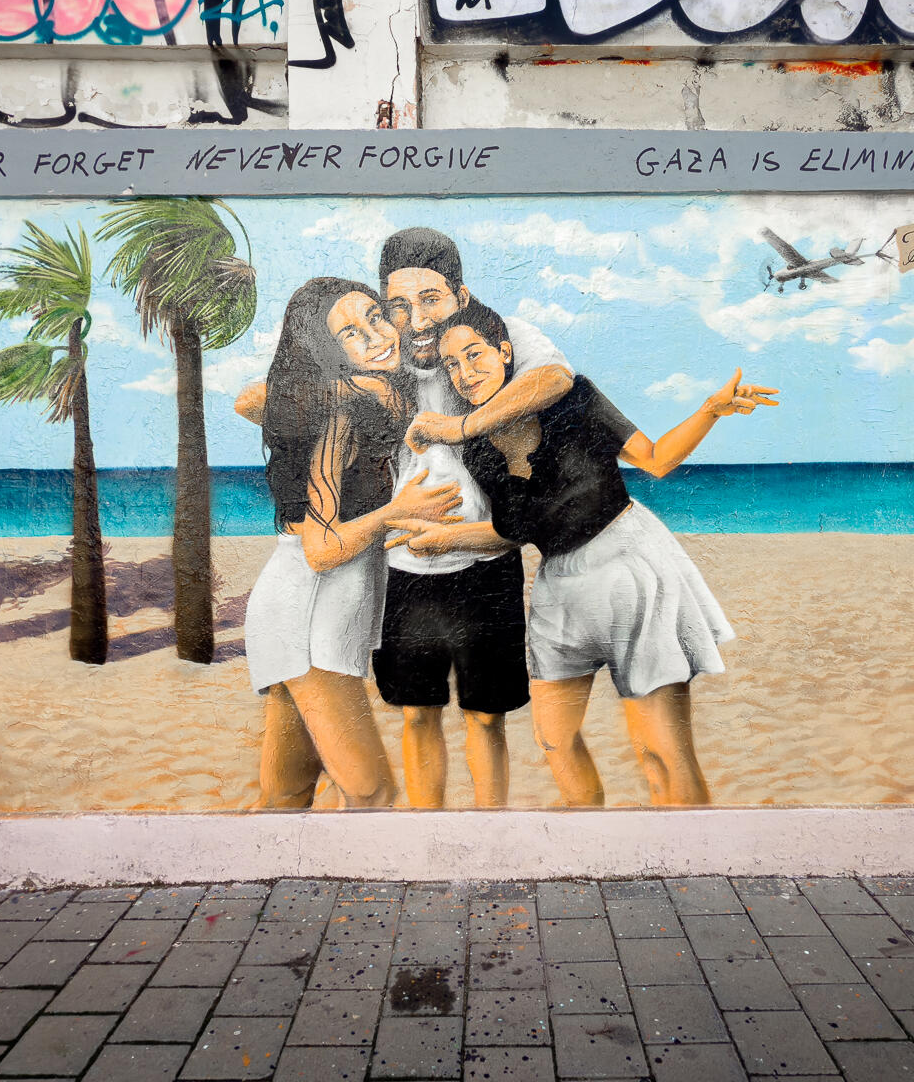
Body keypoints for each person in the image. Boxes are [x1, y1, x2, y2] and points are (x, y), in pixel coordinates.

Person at [237, 228, 573, 809]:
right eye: (395, 305)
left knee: (289, 790)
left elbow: (555, 377)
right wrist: (337, 402)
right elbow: (254, 399)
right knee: (382, 774)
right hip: (339, 592)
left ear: (461, 296)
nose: (409, 320)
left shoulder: (481, 339)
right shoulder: (358, 392)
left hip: (400, 582)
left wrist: (460, 427)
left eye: (427, 300)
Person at [397, 301, 776, 807]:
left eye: (474, 354)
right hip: (559, 582)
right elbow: (515, 531)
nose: (465, 372)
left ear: (504, 352)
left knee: (661, 750)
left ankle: (689, 846)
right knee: (554, 738)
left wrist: (710, 409)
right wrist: (442, 539)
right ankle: (589, 837)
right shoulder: (479, 449)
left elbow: (655, 459)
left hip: (629, 560)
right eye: (452, 364)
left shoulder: (574, 397)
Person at [242, 277, 462, 809]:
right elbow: (321, 551)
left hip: (319, 610)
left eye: (375, 317)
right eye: (349, 334)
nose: (375, 336)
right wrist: (397, 512)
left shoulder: (377, 395)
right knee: (372, 791)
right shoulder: (340, 413)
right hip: (309, 614)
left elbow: (261, 402)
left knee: (286, 793)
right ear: (326, 351)